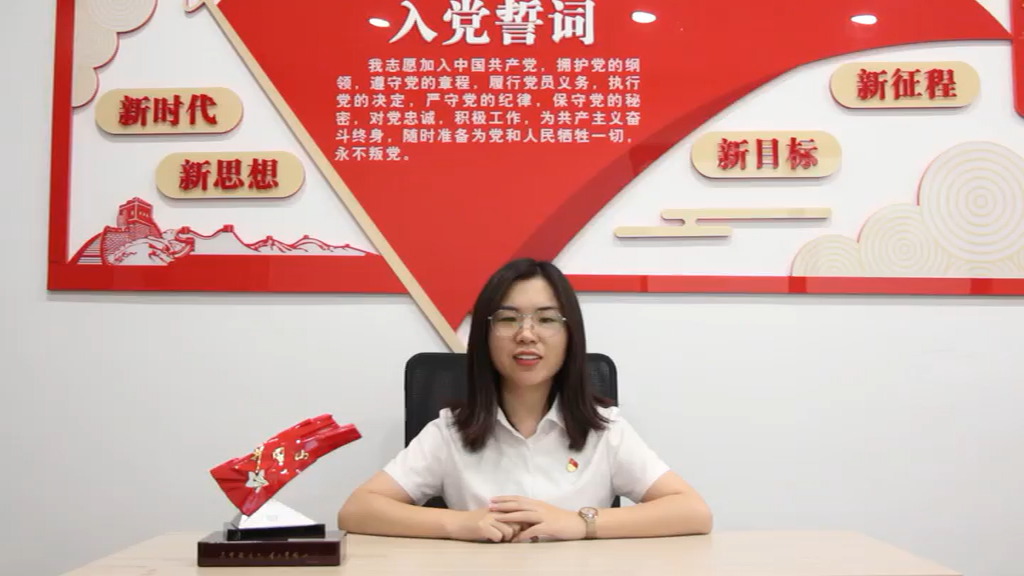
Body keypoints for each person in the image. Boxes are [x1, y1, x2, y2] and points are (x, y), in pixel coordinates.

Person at [336, 258, 712, 543]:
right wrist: (459, 523)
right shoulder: (450, 431)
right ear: (485, 336)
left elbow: (693, 512)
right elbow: (357, 510)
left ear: (570, 337)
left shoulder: (605, 429)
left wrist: (579, 522)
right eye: (508, 319)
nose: (527, 334)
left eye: (546, 320)